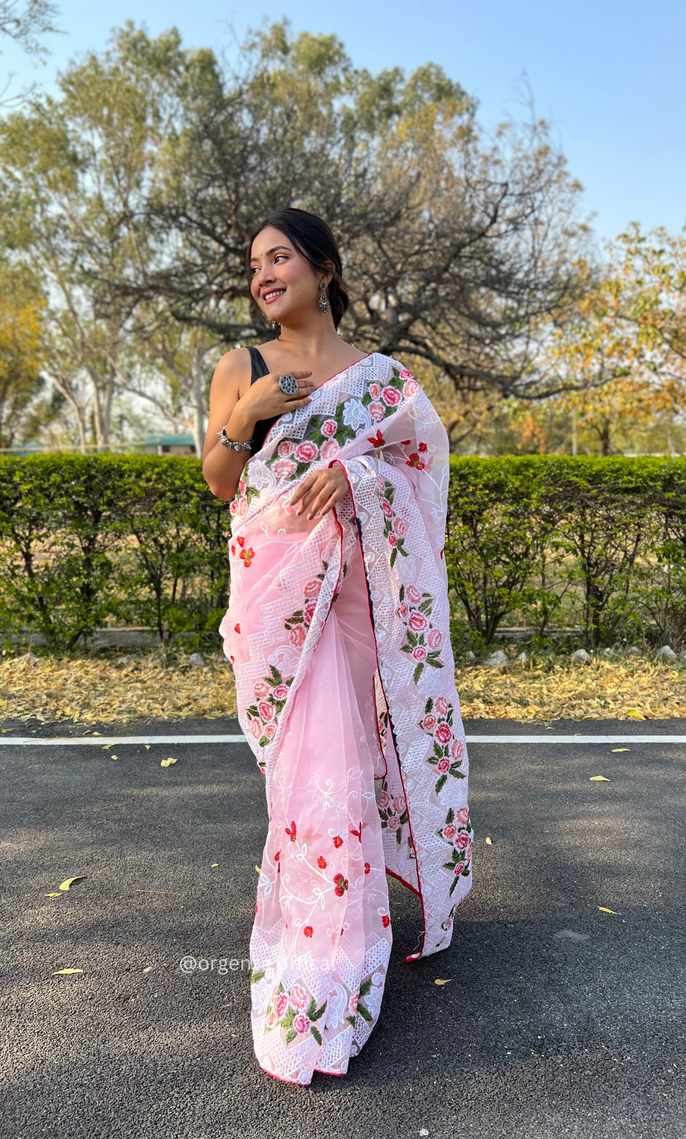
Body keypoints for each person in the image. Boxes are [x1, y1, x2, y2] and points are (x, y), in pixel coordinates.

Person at [202, 207, 474, 1086]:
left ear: (323, 268)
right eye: (253, 266)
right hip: (278, 600)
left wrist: (355, 472)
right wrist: (246, 412)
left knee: (342, 767)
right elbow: (218, 482)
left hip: (355, 602)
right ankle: (326, 940)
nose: (262, 276)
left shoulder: (383, 379)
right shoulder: (241, 365)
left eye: (279, 258)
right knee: (304, 771)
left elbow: (422, 463)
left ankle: (335, 956)